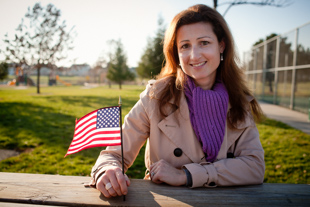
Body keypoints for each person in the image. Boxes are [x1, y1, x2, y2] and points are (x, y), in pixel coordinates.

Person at [90, 4, 265, 198]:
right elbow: (114, 154)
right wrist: (108, 171)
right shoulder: (155, 97)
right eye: (185, 46)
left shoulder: (239, 102)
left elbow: (254, 166)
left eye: (204, 43)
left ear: (221, 45)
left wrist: (186, 175)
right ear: (176, 53)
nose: (194, 55)